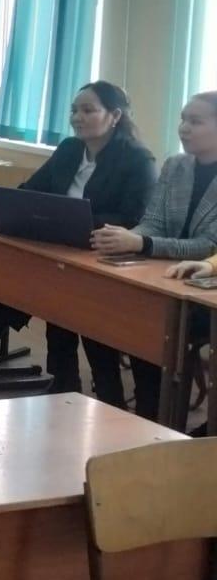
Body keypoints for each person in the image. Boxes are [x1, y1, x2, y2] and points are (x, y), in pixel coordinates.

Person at [0, 81, 156, 403]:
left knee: (65, 297)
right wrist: (0, 202)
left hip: (101, 252)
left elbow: (135, 217)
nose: (77, 117)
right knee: (55, 293)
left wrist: (75, 218)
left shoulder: (137, 159)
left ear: (115, 116)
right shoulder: (69, 149)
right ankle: (62, 382)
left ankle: (2, 322)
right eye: (74, 110)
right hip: (60, 246)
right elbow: (33, 189)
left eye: (88, 110)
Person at [88, 90, 217, 419]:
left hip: (199, 288)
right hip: (159, 273)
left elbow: (208, 245)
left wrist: (142, 244)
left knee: (148, 322)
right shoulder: (176, 165)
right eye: (183, 119)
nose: (184, 128)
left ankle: (151, 415)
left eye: (196, 121)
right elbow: (154, 221)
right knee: (93, 306)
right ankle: (109, 403)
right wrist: (128, 237)